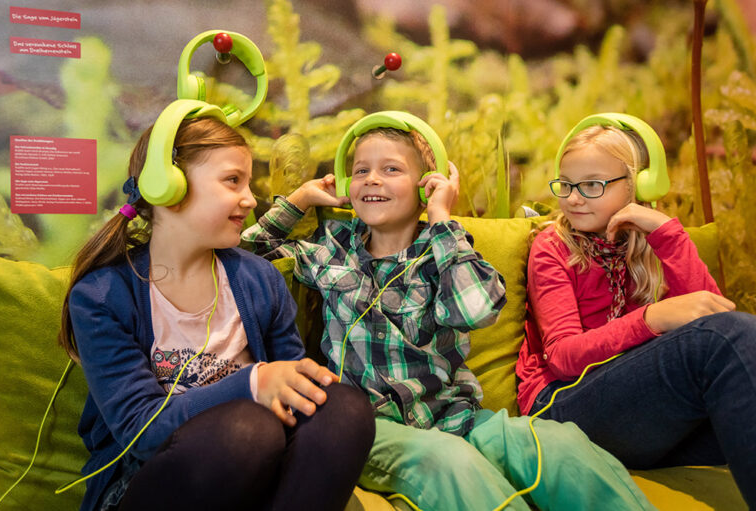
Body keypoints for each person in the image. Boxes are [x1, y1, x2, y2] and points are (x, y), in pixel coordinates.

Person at [241, 123, 654, 511]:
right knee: (451, 461)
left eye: (391, 169)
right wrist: (301, 200)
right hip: (371, 429)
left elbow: (476, 309)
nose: (371, 178)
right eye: (361, 170)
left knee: (554, 444)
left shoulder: (444, 249)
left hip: (454, 416)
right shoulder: (332, 249)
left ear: (426, 186)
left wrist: (441, 218)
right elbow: (246, 255)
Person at [58, 113, 375, 511]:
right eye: (232, 181)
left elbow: (292, 387)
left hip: (258, 475)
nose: (250, 198)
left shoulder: (259, 278)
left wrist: (302, 387)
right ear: (167, 186)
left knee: (343, 406)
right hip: (145, 478)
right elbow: (140, 432)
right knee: (247, 428)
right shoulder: (103, 295)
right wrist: (253, 383)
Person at [517, 120, 756, 508]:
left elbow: (716, 314)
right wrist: (653, 319)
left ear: (636, 186)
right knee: (723, 340)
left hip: (635, 415)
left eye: (592, 185)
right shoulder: (552, 247)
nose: (574, 198)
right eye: (566, 184)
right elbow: (562, 358)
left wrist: (666, 233)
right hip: (561, 405)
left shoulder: (650, 243)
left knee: (738, 376)